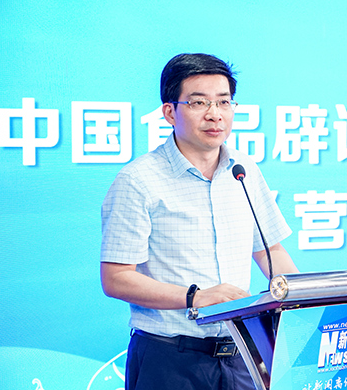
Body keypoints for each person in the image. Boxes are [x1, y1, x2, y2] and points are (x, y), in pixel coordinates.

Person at [100, 53, 298, 390]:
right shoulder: (138, 180)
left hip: (242, 355)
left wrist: (304, 301)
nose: (214, 114)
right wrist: (194, 297)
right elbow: (116, 278)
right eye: (198, 102)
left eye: (224, 102)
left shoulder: (244, 171)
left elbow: (270, 251)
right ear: (169, 112)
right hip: (170, 359)